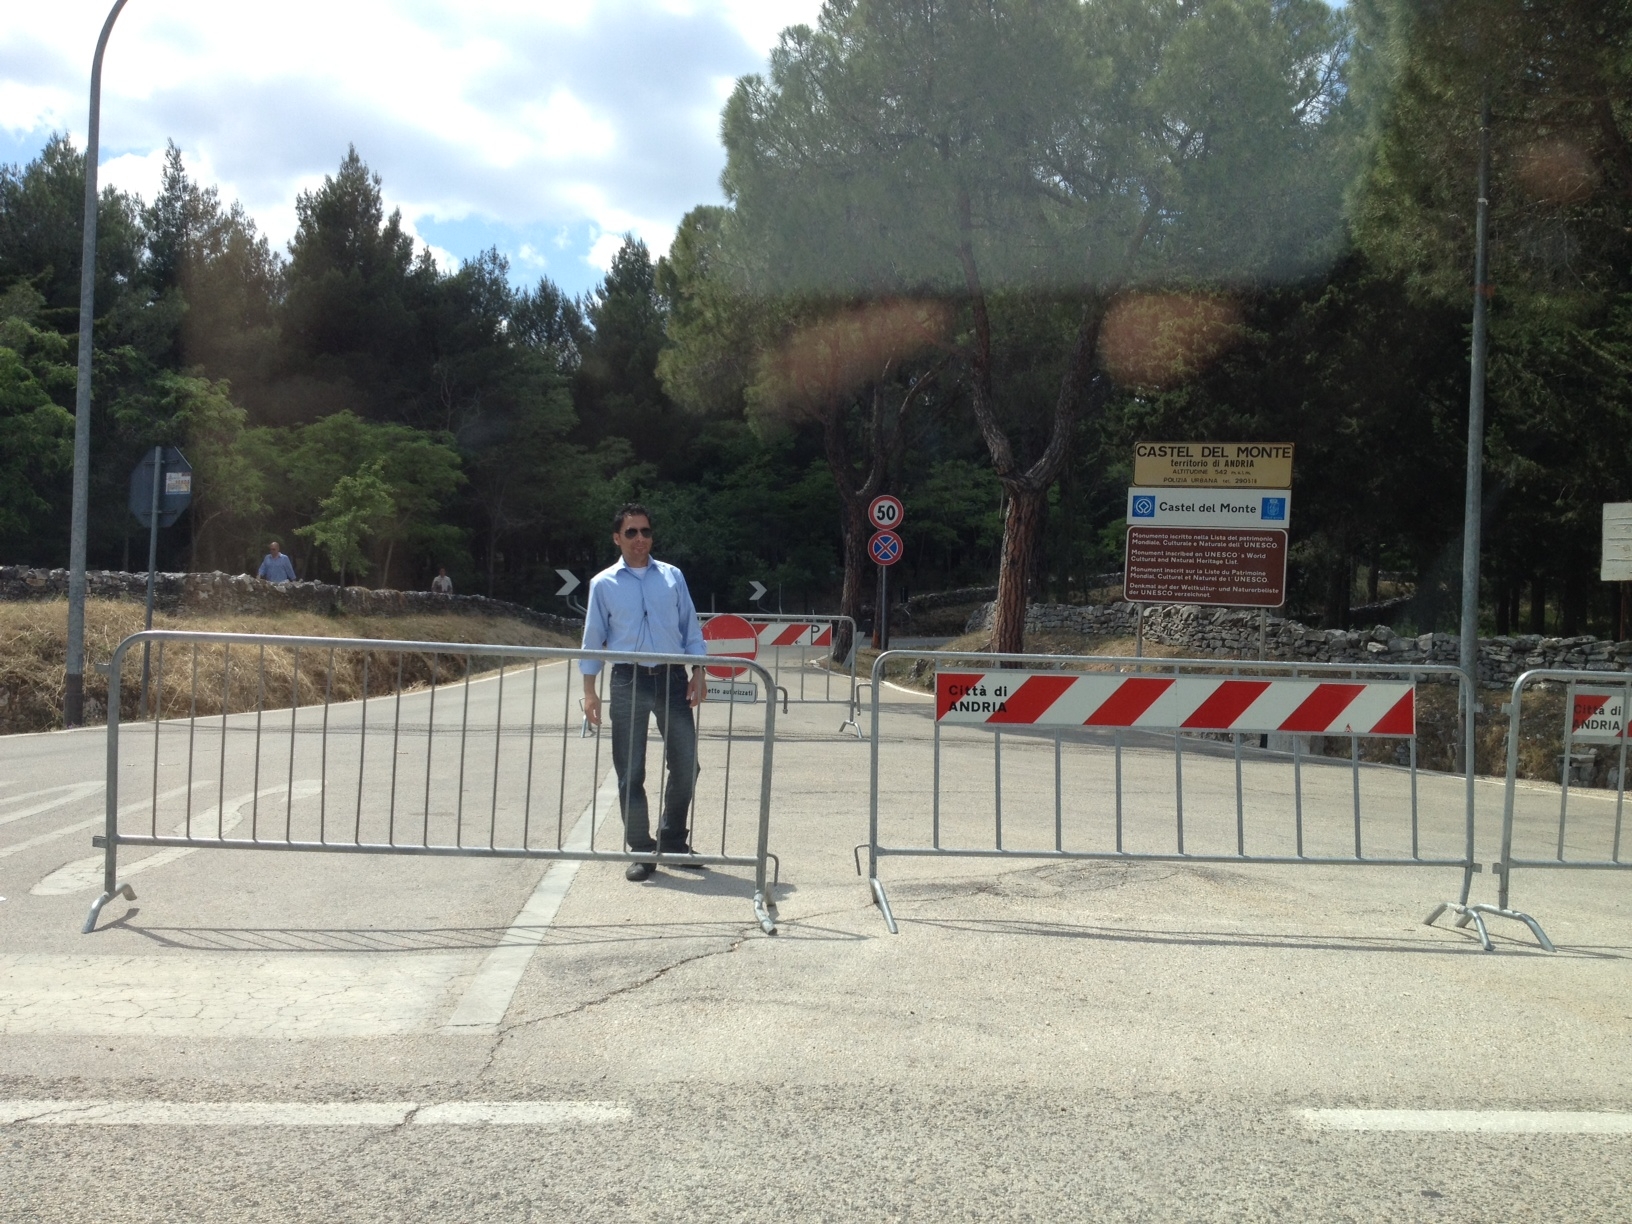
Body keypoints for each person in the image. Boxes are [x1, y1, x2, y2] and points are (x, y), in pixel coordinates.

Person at [580, 503, 707, 881]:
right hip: (627, 680)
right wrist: (589, 691)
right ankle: (640, 847)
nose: (640, 539)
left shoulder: (672, 577)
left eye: (646, 532)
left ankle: (671, 839)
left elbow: (690, 627)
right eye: (631, 532)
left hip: (671, 679)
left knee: (687, 764)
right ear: (617, 538)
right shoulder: (603, 584)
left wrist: (699, 670)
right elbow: (592, 639)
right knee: (630, 770)